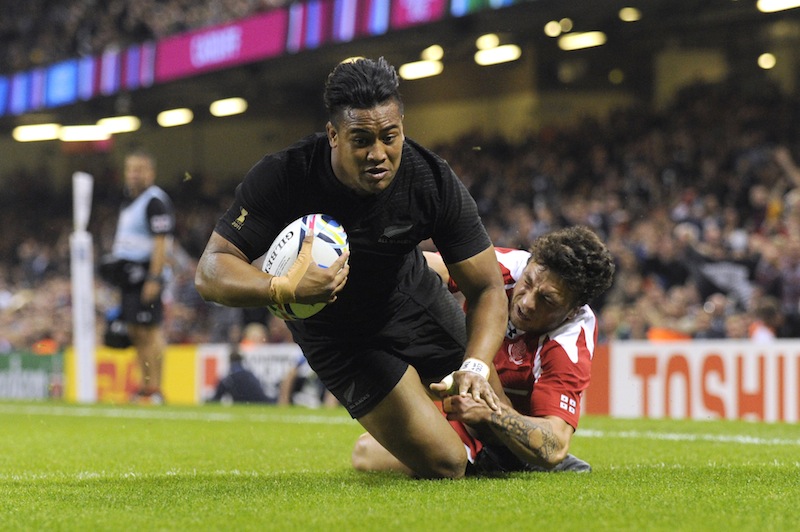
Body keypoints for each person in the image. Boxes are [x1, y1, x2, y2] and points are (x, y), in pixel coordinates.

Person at [195, 57, 508, 479]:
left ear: (402, 128)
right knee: (447, 463)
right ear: (333, 135)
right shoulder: (284, 176)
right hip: (338, 339)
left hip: (413, 303)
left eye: (389, 136)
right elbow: (211, 270)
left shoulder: (430, 180)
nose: (378, 154)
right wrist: (280, 288)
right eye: (361, 140)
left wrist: (475, 365)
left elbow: (487, 288)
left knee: (509, 437)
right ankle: (378, 449)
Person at [351, 226, 615, 475]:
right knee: (365, 453)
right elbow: (424, 268)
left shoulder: (570, 341)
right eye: (529, 281)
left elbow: (555, 444)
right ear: (530, 263)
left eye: (547, 300)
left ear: (572, 310)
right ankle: (490, 459)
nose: (527, 302)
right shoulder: (504, 267)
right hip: (464, 402)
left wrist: (492, 414)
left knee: (419, 461)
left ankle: (505, 459)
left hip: (504, 429)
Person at [109, 149, 175, 405]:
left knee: (151, 331)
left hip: (146, 274)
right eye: (130, 169)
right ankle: (145, 386)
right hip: (129, 277)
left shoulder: (154, 201)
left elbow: (161, 242)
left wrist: (154, 278)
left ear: (150, 172)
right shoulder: (129, 201)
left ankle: (156, 388)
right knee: (136, 331)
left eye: (139, 170)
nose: (134, 175)